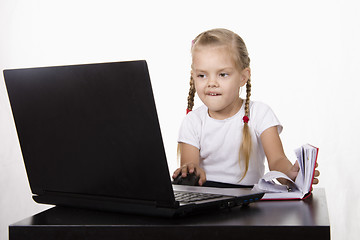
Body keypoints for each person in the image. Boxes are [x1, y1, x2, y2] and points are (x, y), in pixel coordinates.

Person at [172, 28, 319, 187]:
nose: (211, 83)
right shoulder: (192, 122)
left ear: (243, 77)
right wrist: (190, 171)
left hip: (250, 207)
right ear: (193, 77)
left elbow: (277, 160)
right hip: (208, 205)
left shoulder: (260, 114)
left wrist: (291, 175)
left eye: (223, 74)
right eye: (202, 75)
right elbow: (190, 167)